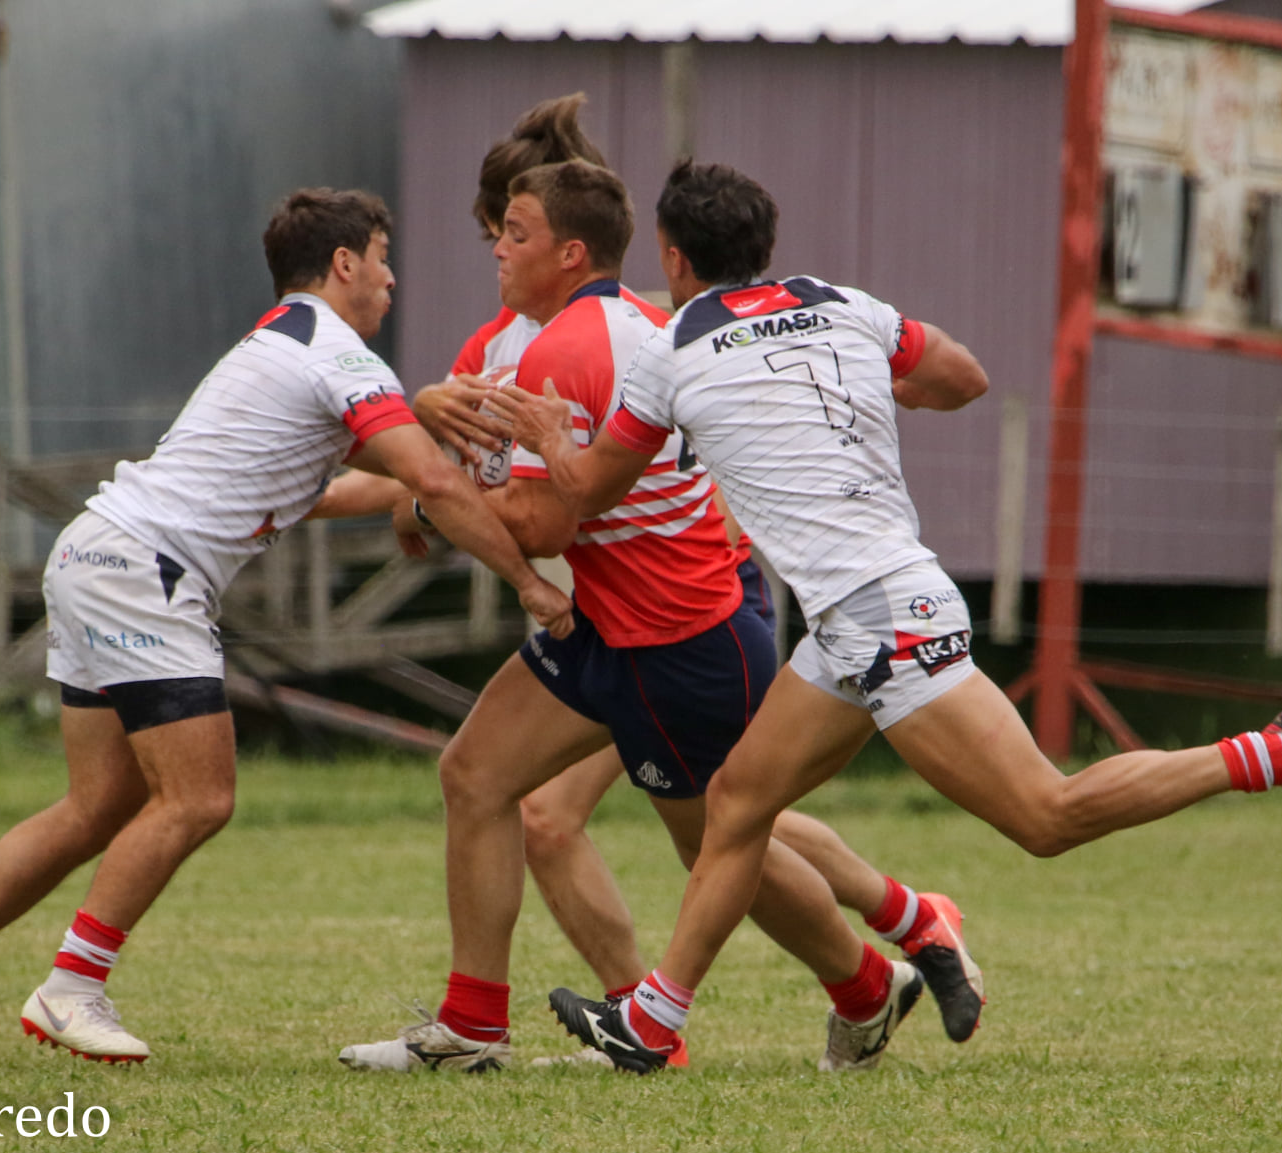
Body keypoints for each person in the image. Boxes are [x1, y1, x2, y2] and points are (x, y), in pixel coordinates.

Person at [490, 159, 1282, 1074]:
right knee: (736, 802)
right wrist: (886, 394)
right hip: (856, 618)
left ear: (674, 258)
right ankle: (654, 1021)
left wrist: (549, 437)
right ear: (765, 249)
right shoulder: (842, 303)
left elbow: (587, 489)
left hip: (885, 618)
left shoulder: (671, 347)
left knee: (1049, 815)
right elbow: (963, 376)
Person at [0, 189, 574, 1070]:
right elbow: (429, 475)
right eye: (384, 256)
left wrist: (413, 487)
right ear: (345, 263)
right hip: (146, 576)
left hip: (95, 553)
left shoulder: (277, 341)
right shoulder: (336, 351)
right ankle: (70, 989)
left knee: (100, 805)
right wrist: (528, 583)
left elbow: (327, 489)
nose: (393, 276)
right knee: (199, 798)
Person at [336, 159, 969, 1075]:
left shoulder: (564, 348)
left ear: (570, 251)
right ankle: (473, 1026)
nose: (497, 252)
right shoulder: (628, 322)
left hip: (678, 634)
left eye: (512, 233)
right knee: (478, 776)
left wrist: (440, 500)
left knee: (721, 841)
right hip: (607, 618)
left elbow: (547, 519)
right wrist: (436, 462)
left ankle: (870, 980)